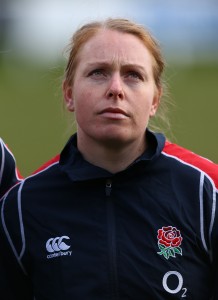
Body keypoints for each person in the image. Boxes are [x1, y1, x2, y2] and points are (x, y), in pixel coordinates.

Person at [0, 18, 217, 300]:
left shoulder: (205, 191)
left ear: (155, 100)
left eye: (133, 75)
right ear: (69, 94)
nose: (116, 88)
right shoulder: (22, 206)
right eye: (98, 73)